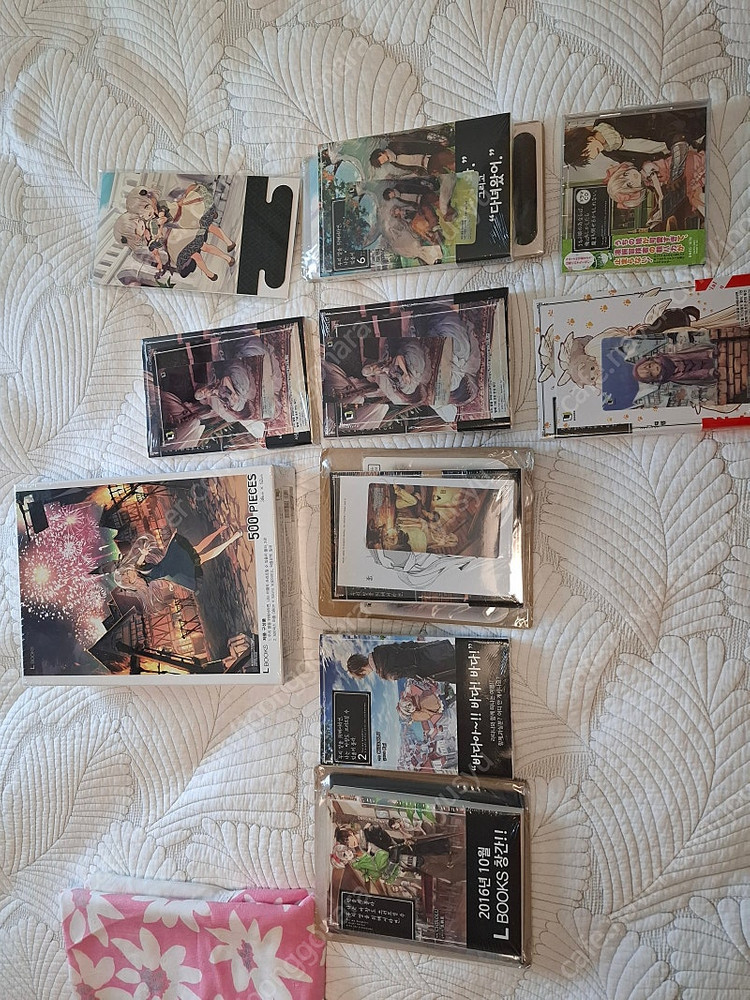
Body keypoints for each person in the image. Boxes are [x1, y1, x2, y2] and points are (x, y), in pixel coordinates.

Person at [113, 528, 241, 606]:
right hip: (175, 571)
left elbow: (142, 562)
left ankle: (221, 531)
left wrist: (144, 554)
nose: (130, 575)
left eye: (127, 573)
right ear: (131, 583)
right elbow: (159, 576)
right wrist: (170, 583)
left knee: (198, 548)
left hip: (172, 562)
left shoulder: (138, 567)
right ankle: (232, 538)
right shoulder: (145, 582)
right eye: (128, 578)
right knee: (204, 556)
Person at [344, 639, 456, 682]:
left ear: (362, 670)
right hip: (428, 651)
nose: (366, 674)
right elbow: (406, 645)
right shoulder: (379, 650)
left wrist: (420, 679)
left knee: (459, 668)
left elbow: (412, 671)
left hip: (433, 666)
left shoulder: (386, 673)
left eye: (363, 674)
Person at [631, 346, 717, 387]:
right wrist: (708, 372)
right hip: (685, 372)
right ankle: (709, 372)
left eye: (650, 366)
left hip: (689, 359)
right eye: (651, 373)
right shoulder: (667, 376)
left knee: (688, 355)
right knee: (690, 375)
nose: (654, 369)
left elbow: (687, 355)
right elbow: (691, 376)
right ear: (653, 378)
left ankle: (709, 354)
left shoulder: (664, 358)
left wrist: (707, 354)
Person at [369, 135, 455, 175]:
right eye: (381, 163)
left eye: (380, 160)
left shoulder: (396, 145)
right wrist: (426, 173)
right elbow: (411, 169)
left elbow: (417, 143)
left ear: (380, 153)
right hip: (428, 168)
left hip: (431, 156)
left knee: (453, 163)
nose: (382, 162)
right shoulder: (394, 163)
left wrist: (437, 145)